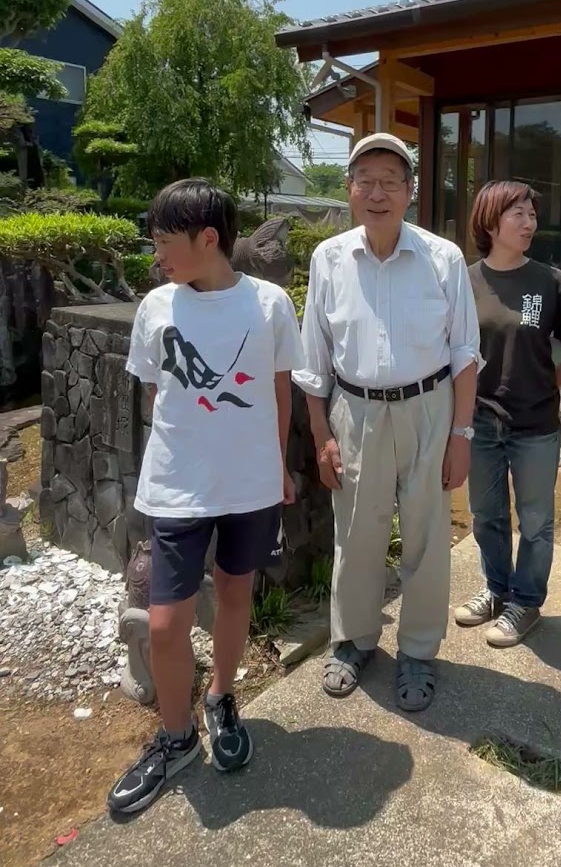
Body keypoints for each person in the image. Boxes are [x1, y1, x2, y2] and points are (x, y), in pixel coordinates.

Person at [108, 180, 304, 815]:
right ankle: (175, 737)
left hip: (250, 484)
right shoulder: (156, 307)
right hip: (176, 486)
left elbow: (282, 394)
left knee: (236, 592)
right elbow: (152, 394)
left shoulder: (270, 303)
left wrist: (276, 466)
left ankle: (220, 698)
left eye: (164, 241)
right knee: (165, 623)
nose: (156, 254)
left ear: (209, 239)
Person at [295, 132, 480, 713]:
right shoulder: (328, 259)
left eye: (390, 181)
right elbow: (312, 361)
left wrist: (462, 436)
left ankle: (420, 652)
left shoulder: (442, 258)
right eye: (365, 180)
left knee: (426, 534)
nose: (377, 192)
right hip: (354, 410)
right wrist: (322, 436)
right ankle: (353, 641)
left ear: (410, 191)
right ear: (349, 190)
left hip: (430, 407)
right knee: (356, 531)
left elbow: (465, 354)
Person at [455, 181, 561, 644]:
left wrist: (549, 386)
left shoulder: (550, 281)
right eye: (519, 213)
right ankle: (496, 589)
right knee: (486, 514)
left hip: (535, 424)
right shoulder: (464, 280)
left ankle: (526, 602)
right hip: (480, 421)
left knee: (535, 520)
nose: (530, 222)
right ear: (490, 220)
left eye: (532, 214)